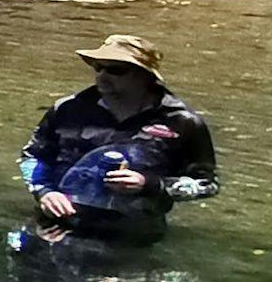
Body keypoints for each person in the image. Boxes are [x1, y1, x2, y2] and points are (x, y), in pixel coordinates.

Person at [22, 34, 219, 232]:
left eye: (116, 70)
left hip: (134, 232)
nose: (103, 76)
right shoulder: (68, 109)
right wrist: (44, 192)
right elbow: (32, 156)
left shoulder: (182, 122)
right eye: (98, 67)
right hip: (58, 221)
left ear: (144, 75)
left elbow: (207, 184)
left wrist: (149, 185)